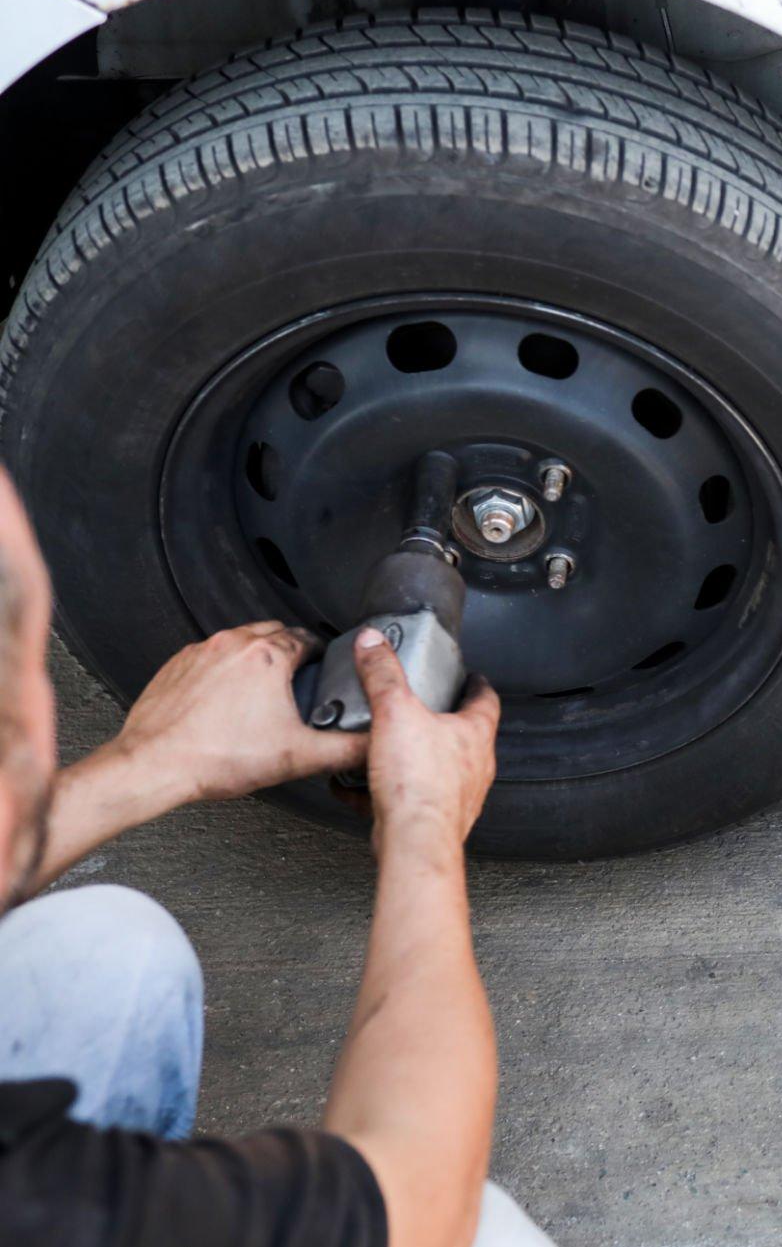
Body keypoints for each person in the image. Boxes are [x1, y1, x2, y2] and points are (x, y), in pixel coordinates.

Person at [0, 464, 545, 1246]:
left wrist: (152, 760)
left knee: (103, 950)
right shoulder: (46, 1200)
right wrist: (424, 815)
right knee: (486, 1230)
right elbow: (419, 1199)